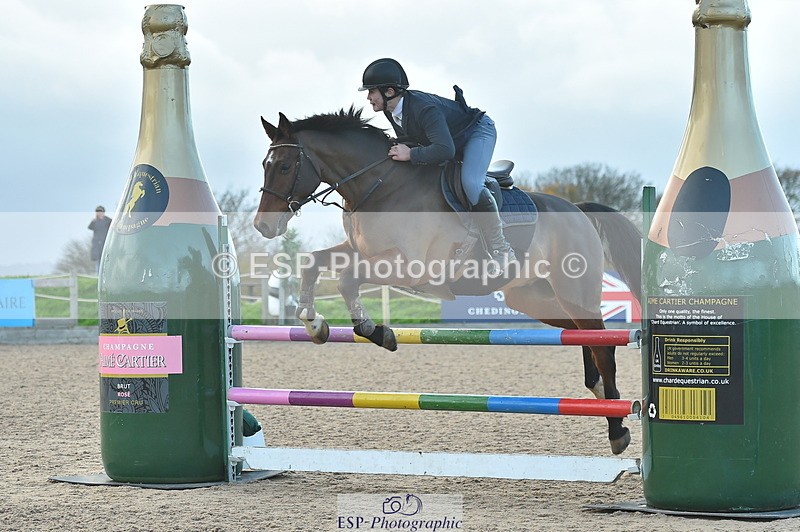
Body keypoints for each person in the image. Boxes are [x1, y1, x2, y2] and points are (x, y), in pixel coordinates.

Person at [358, 58, 516, 270]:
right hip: (451, 139)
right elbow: (412, 140)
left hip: (477, 132)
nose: (368, 97)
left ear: (388, 92)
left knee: (470, 183)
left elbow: (445, 151)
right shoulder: (390, 110)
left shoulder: (424, 109)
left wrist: (411, 155)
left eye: (371, 92)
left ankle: (501, 249)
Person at [88, 206, 112, 273]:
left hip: (106, 243)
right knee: (98, 261)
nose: (99, 213)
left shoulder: (109, 220)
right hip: (97, 244)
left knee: (106, 259)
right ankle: (98, 275)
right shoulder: (94, 221)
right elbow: (90, 227)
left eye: (100, 211)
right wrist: (94, 220)